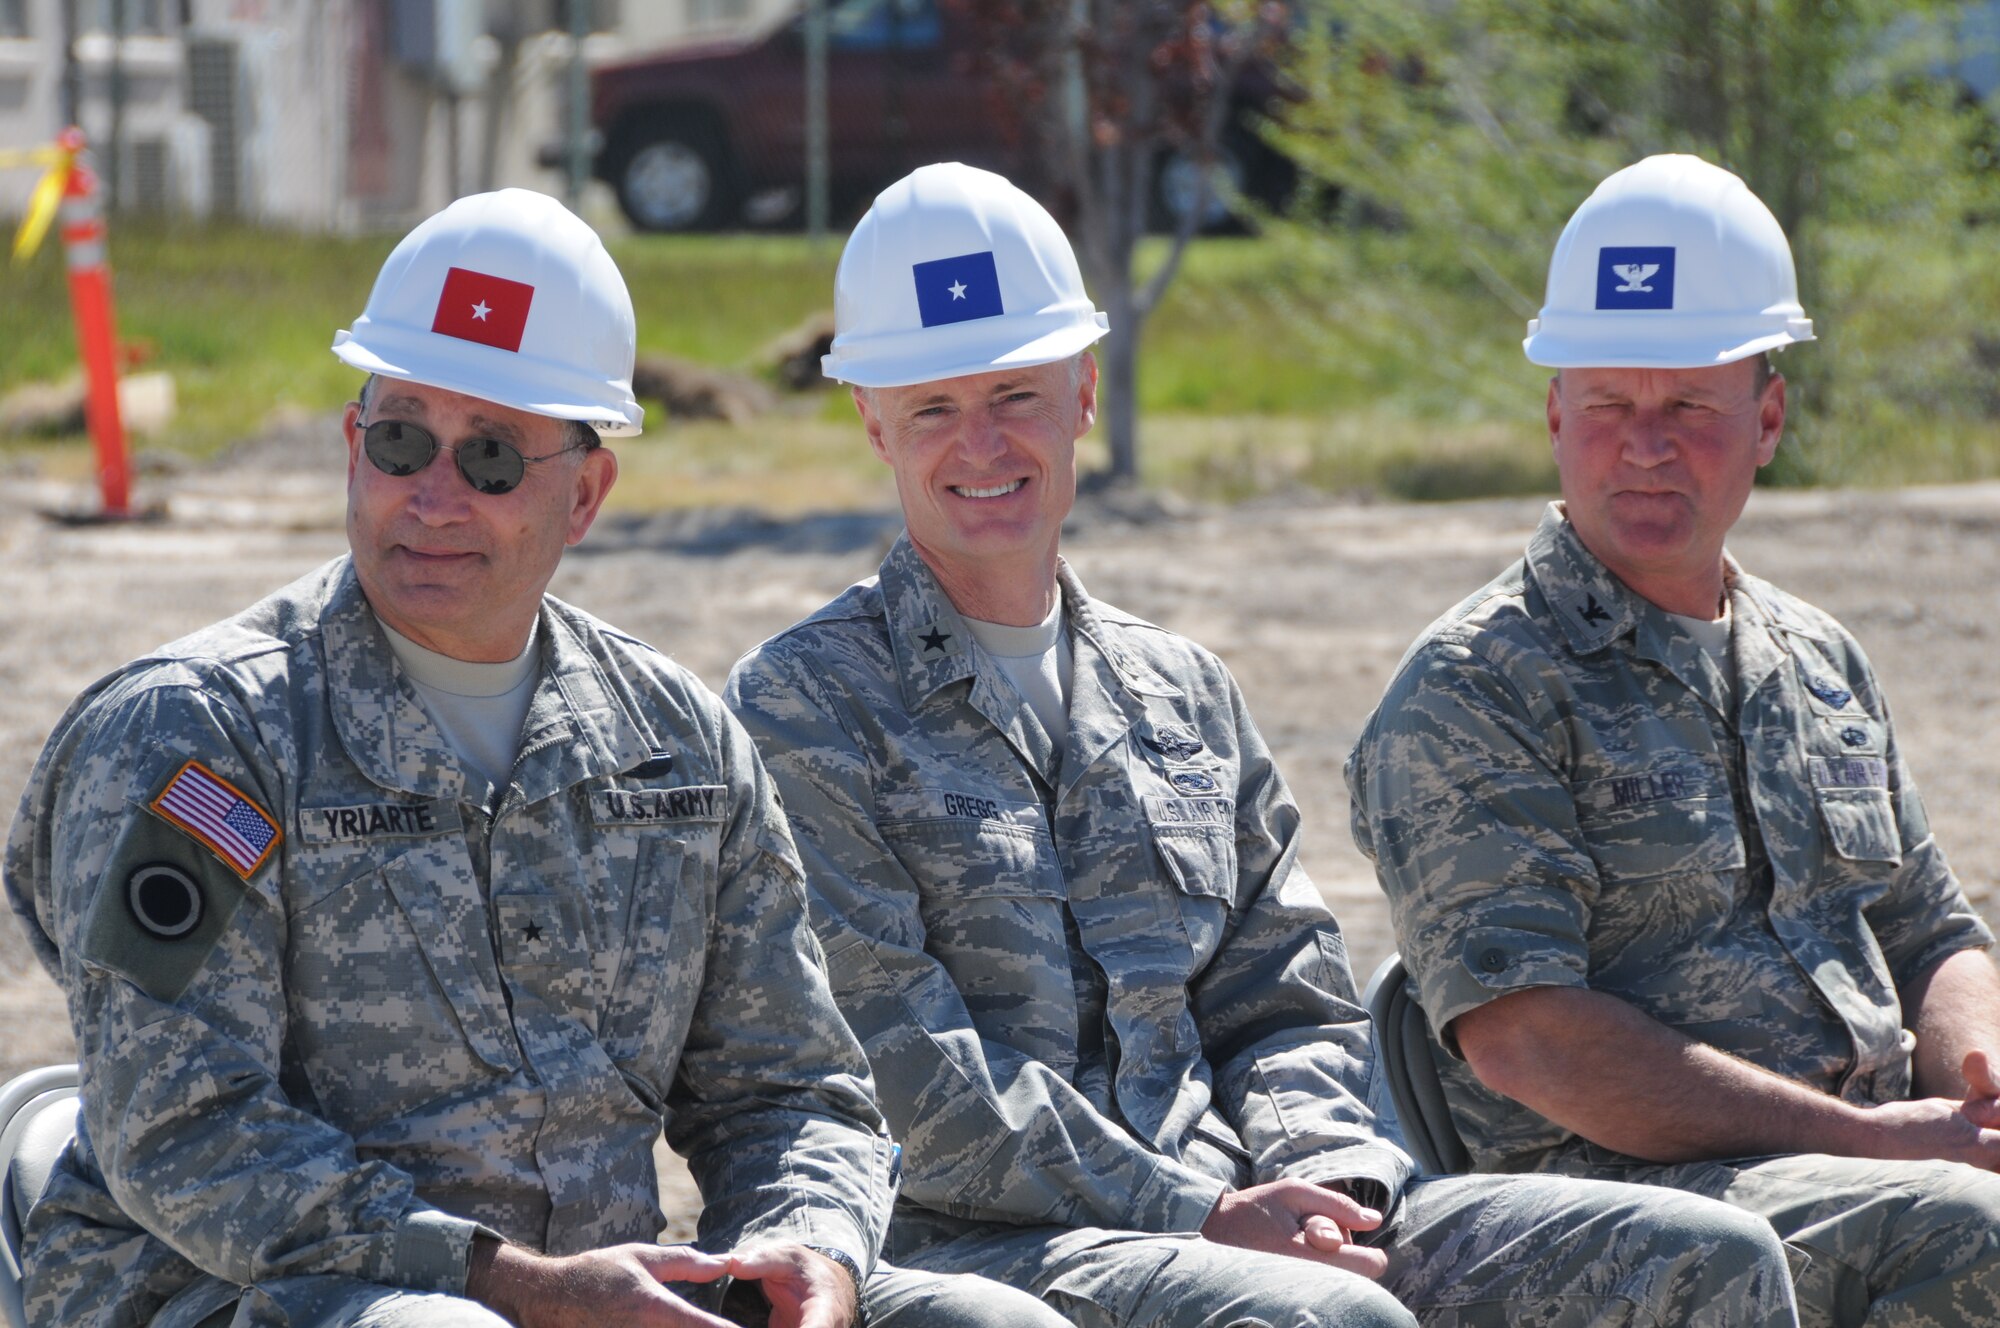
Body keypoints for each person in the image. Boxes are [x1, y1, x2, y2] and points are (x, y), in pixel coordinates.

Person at [724, 161, 1801, 1328]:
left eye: (1015, 396)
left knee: (1704, 1256)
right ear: (869, 418)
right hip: (988, 1245)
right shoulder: (801, 704)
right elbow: (903, 1071)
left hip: (1246, 1201)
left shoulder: (1180, 691)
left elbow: (1287, 1000)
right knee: (1326, 1321)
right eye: (933, 406)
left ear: (1083, 391)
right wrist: (1199, 1210)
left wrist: (1323, 1176)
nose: (980, 445)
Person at [3, 188, 1052, 1328]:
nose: (434, 495)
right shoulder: (200, 737)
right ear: (354, 447)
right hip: (227, 1293)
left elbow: (790, 1088)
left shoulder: (675, 745)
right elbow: (182, 1124)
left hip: (588, 1294)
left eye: (494, 455)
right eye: (402, 440)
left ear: (585, 493)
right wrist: (500, 1282)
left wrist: (807, 1252)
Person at [1346, 152, 2000, 1325]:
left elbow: (1930, 927)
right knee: (1969, 1231)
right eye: (1608, 405)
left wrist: (1977, 1092)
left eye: (1688, 406)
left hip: (1862, 1166)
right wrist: (1873, 1140)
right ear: (1554, 414)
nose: (1643, 444)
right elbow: (1530, 1040)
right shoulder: (1477, 684)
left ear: (1767, 417)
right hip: (1622, 1208)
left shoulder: (1816, 660)